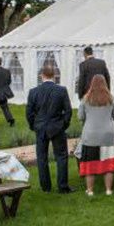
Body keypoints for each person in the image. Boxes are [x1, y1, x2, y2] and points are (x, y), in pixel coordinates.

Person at [26, 65, 74, 193]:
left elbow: (29, 113)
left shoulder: (34, 92)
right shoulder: (61, 90)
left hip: (43, 127)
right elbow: (68, 111)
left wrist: (34, 126)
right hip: (56, 126)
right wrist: (63, 124)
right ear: (54, 76)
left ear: (42, 76)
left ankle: (46, 187)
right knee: (61, 156)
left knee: (42, 157)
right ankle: (62, 186)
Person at [77, 75, 114, 197]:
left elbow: (80, 117)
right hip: (109, 136)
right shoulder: (111, 99)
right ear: (105, 84)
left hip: (91, 136)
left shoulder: (85, 99)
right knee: (109, 165)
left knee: (90, 165)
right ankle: (108, 190)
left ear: (92, 84)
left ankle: (90, 191)